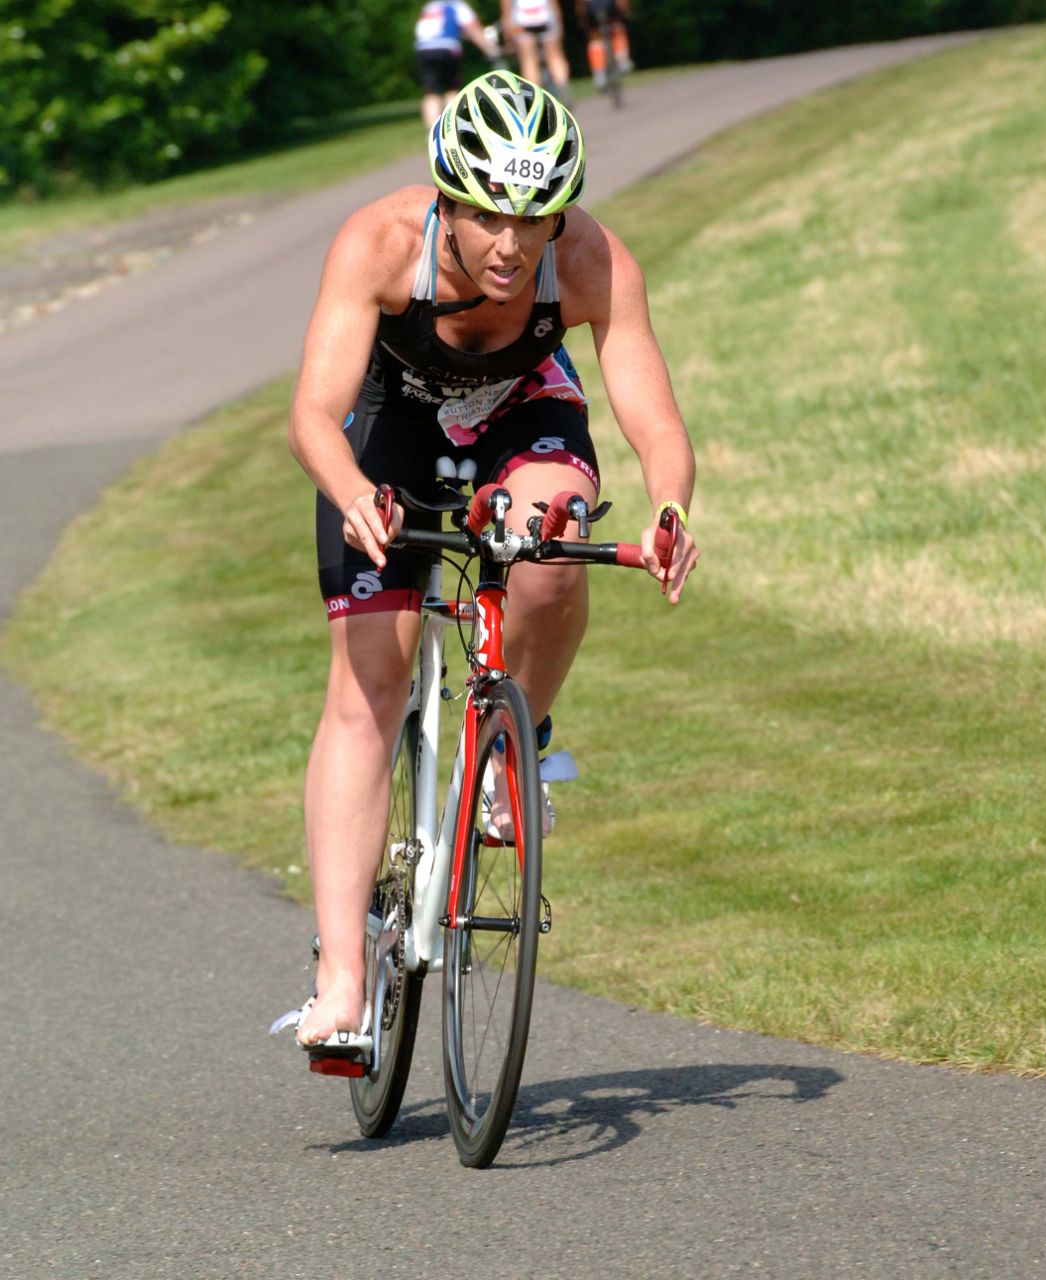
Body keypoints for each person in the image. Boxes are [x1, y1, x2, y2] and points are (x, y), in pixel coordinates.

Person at [283, 71, 699, 1053]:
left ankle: (513, 742)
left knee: (554, 542)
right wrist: (353, 494)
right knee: (367, 687)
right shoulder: (381, 242)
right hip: (385, 438)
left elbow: (650, 410)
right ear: (448, 200)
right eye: (489, 216)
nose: (512, 244)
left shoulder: (589, 259)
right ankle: (341, 976)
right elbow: (312, 410)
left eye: (536, 217)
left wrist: (671, 506)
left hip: (520, 418)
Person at [414, 1, 499, 128]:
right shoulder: (457, 6)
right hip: (447, 49)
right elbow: (473, 30)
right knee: (451, 90)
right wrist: (491, 50)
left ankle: (432, 130)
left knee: (431, 92)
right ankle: (452, 127)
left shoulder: (430, 7)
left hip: (424, 50)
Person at [500, 0, 571, 101]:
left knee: (528, 60)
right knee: (555, 55)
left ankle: (536, 96)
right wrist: (557, 16)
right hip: (545, 14)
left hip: (522, 17)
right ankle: (563, 89)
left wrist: (507, 23)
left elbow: (506, 4)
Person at [576, 0, 634, 89]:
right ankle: (622, 58)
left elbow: (580, 4)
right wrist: (626, 13)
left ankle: (599, 74)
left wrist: (582, 20)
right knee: (617, 26)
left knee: (594, 37)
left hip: (590, 7)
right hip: (609, 4)